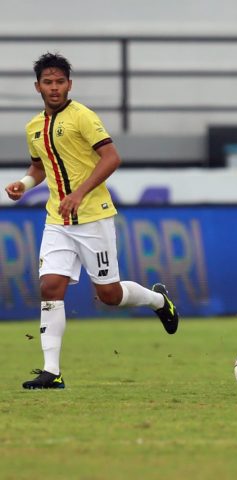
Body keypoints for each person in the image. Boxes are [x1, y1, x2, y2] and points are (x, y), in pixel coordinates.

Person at [4, 52, 180, 390]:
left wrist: (80, 193)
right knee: (49, 287)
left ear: (69, 84)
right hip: (57, 219)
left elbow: (112, 157)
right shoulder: (33, 127)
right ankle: (51, 371)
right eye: (48, 82)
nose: (54, 88)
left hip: (93, 218)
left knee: (110, 296)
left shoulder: (82, 116)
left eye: (60, 82)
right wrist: (24, 184)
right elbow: (38, 167)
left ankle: (158, 300)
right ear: (37, 86)